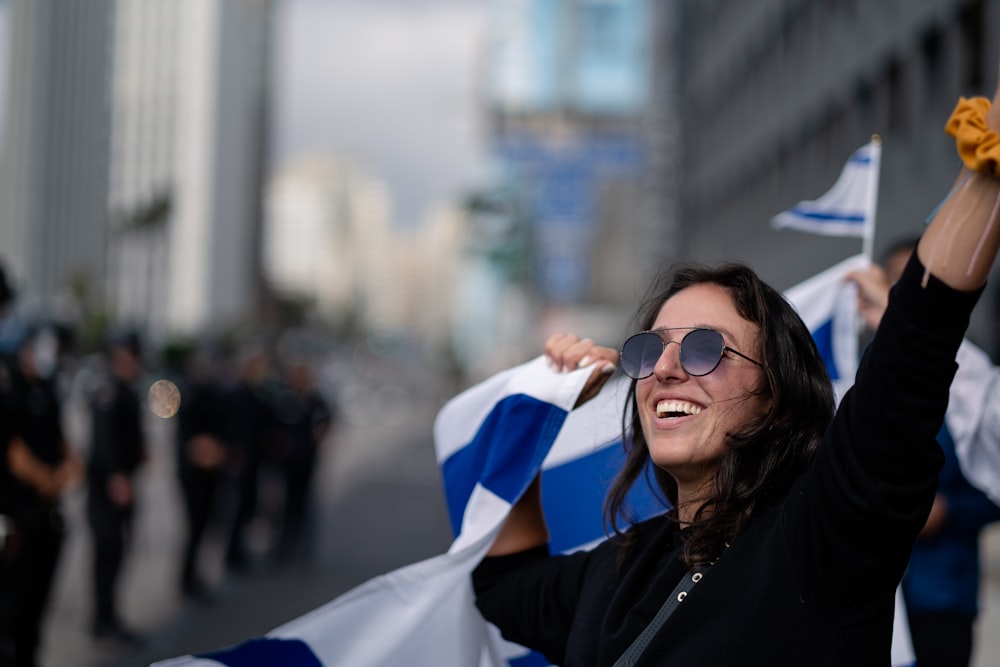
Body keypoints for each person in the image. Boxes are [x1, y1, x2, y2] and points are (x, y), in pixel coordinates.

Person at [472, 78, 1000, 664]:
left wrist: (987, 161)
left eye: (704, 349)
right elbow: (501, 586)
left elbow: (916, 337)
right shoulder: (618, 565)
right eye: (650, 350)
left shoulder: (823, 539)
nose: (666, 368)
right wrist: (540, 411)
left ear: (775, 400)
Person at [848, 238, 1000, 667]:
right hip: (866, 590)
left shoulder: (972, 386)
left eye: (925, 287)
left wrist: (947, 511)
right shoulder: (848, 381)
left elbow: (991, 478)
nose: (910, 300)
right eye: (901, 287)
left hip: (942, 592)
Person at [6, 327, 81, 666]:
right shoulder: (12, 391)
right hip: (20, 513)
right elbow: (14, 452)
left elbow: (61, 438)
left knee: (39, 602)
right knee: (14, 605)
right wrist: (48, 479)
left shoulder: (49, 391)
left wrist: (71, 467)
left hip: (49, 513)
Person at [86, 330, 146, 642]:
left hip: (122, 483)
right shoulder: (108, 388)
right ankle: (101, 619)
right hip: (108, 488)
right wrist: (117, 476)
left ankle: (109, 614)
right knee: (107, 552)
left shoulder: (126, 388)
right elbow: (104, 438)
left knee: (118, 552)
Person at [272, 360, 335, 565]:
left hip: (306, 460)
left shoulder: (315, 399)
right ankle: (284, 546)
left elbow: (327, 420)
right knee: (285, 505)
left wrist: (319, 436)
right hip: (287, 462)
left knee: (306, 504)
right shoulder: (284, 398)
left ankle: (304, 547)